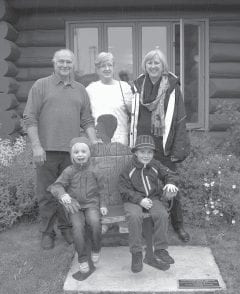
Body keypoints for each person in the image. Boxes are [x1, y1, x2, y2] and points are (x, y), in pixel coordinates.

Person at [23, 49, 98, 250]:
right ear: (53, 63)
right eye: (61, 62)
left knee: (70, 193)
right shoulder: (41, 85)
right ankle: (47, 232)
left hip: (73, 154)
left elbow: (87, 119)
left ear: (73, 64)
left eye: (68, 62)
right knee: (47, 194)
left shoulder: (80, 89)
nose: (65, 65)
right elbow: (29, 117)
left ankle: (66, 228)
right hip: (46, 151)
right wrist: (37, 146)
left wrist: (94, 143)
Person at [130, 49, 190, 242]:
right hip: (143, 145)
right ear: (144, 66)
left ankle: (178, 225)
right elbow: (132, 115)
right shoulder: (138, 85)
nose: (153, 66)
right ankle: (146, 225)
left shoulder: (171, 86)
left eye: (157, 63)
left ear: (163, 66)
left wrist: (178, 149)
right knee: (141, 185)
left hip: (164, 145)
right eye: (149, 63)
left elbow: (180, 119)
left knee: (169, 185)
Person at [49, 137, 107, 280]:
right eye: (76, 152)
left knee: (94, 223)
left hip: (92, 204)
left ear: (89, 153)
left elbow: (103, 189)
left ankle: (96, 248)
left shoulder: (96, 169)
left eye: (83, 151)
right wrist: (63, 195)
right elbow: (55, 186)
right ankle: (82, 258)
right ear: (71, 155)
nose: (80, 154)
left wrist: (103, 204)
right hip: (75, 206)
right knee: (77, 227)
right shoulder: (69, 171)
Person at [118, 135, 178, 273]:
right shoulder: (128, 168)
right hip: (133, 200)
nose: (146, 155)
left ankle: (160, 250)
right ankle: (136, 253)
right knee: (134, 216)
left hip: (152, 198)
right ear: (135, 152)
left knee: (162, 214)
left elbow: (170, 174)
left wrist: (170, 183)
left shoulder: (155, 165)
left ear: (153, 154)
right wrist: (139, 200)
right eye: (142, 152)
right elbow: (123, 189)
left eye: (149, 152)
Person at [86, 52, 133, 146]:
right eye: (103, 66)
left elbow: (134, 113)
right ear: (97, 69)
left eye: (110, 65)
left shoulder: (124, 87)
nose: (107, 68)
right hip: (99, 143)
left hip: (120, 142)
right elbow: (86, 117)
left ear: (113, 67)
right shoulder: (90, 89)